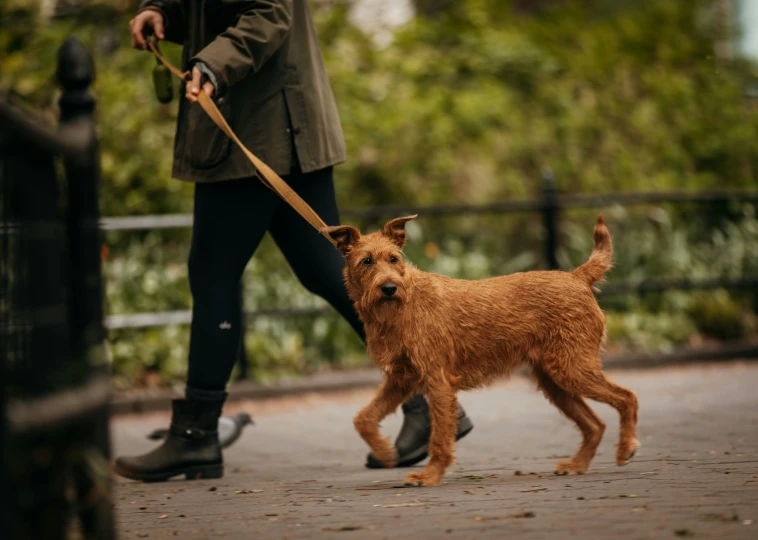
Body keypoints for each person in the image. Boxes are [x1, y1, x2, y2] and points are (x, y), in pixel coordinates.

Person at [114, 0, 473, 482]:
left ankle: (197, 435)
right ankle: (429, 399)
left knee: (213, 271)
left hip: (261, 127)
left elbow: (269, 12)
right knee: (324, 270)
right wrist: (164, 14)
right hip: (279, 124)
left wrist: (210, 64)